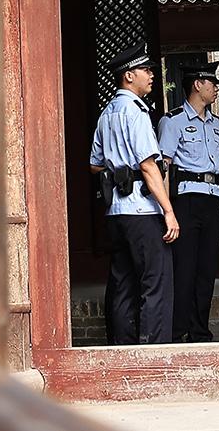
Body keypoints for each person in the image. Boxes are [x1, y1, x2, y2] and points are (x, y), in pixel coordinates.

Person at [89, 49, 179, 344]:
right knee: (156, 282)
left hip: (116, 211)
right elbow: (148, 165)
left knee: (123, 284)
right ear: (129, 76)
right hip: (142, 210)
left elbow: (94, 164)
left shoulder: (107, 113)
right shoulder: (136, 112)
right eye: (146, 70)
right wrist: (168, 211)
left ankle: (122, 347)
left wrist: (118, 170)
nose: (152, 75)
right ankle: (154, 350)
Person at [156, 64, 219, 342]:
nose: (216, 89)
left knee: (207, 269)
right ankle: (177, 330)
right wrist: (167, 210)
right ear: (197, 84)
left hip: (213, 200)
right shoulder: (173, 121)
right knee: (184, 268)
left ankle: (199, 330)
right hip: (186, 200)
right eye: (212, 83)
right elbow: (164, 167)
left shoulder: (216, 124)